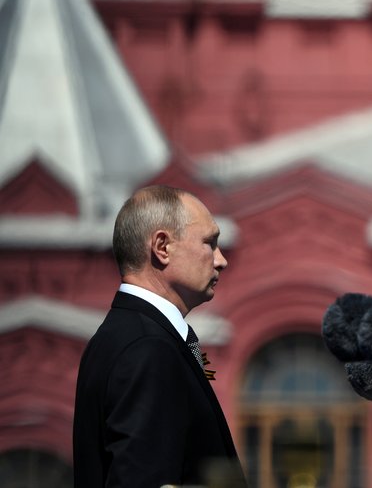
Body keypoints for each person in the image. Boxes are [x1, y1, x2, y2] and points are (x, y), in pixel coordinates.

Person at [73, 185, 247, 487]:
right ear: (162, 247)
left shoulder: (124, 336)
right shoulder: (147, 348)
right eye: (210, 243)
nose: (221, 260)